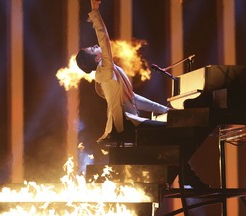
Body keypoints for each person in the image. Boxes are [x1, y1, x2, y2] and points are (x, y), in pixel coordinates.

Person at [76, 0, 209, 190]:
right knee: (172, 133)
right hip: (125, 125)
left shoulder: (109, 71)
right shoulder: (104, 70)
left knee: (171, 136)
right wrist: (95, 12)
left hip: (130, 121)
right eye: (93, 49)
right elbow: (104, 39)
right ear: (97, 58)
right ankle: (186, 176)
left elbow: (133, 99)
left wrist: (164, 109)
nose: (96, 47)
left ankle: (185, 175)